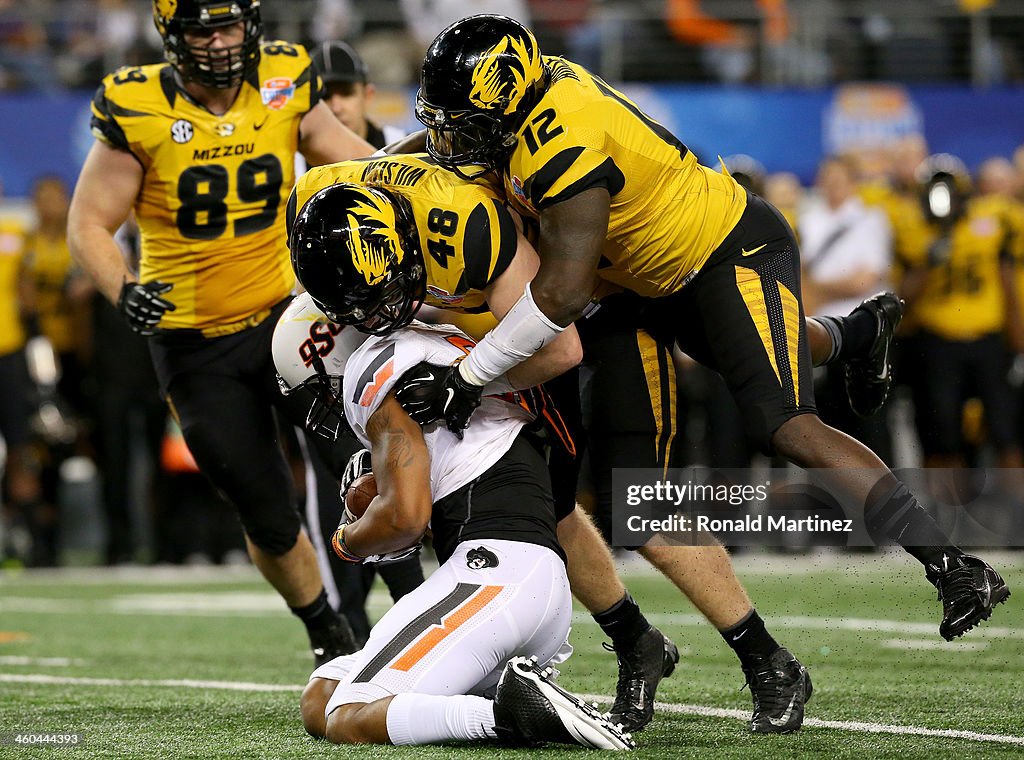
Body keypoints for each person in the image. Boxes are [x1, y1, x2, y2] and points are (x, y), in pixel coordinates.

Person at [405, 11, 1007, 688]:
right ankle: (851, 336)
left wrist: (469, 374)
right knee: (637, 498)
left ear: (508, 99)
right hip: (641, 285)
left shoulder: (562, 140)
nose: (449, 133)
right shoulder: (525, 102)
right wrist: (371, 174)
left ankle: (953, 565)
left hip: (724, 254)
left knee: (783, 423)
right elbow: (431, 155)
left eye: (463, 118)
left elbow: (562, 295)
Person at [285, 163, 813, 734]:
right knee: (556, 506)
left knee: (639, 506)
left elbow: (559, 346)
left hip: (605, 305)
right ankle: (636, 641)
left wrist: (469, 377)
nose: (375, 312)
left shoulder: (466, 222)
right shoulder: (347, 201)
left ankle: (767, 660)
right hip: (531, 329)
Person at [66, 0, 376, 665]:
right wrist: (123, 287)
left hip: (283, 320)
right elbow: (88, 222)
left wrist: (418, 173)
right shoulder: (138, 103)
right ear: (172, 37)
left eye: (228, 24)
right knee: (264, 508)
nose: (217, 41)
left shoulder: (284, 78)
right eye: (202, 29)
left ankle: (411, 613)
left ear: (252, 24)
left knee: (367, 452)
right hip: (193, 344)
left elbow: (350, 159)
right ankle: (327, 630)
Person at [273, 292, 633, 750]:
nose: (324, 400)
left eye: (316, 387)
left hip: (495, 576)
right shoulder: (440, 345)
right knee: (321, 699)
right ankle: (512, 700)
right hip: (515, 579)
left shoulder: (372, 367)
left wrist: (348, 540)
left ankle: (510, 714)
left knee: (349, 718)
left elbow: (404, 520)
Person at [310, 40, 407, 149]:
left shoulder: (404, 148)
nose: (336, 108)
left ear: (368, 95)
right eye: (324, 96)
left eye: (346, 93)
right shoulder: (293, 160)